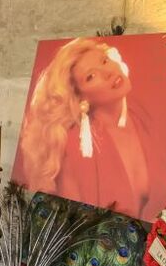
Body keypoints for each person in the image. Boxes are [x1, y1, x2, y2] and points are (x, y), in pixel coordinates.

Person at [18, 38, 155, 219]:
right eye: (91, 76)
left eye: (104, 60)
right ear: (80, 98)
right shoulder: (76, 147)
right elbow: (73, 225)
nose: (108, 72)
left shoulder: (140, 118)